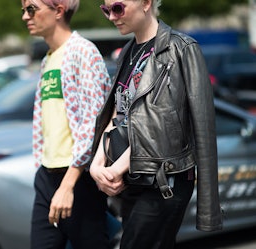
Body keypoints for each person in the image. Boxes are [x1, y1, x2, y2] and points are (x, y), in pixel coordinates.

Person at [89, 0, 223, 248]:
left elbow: (181, 126)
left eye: (117, 8)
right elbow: (117, 114)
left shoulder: (181, 48)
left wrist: (115, 169)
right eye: (106, 9)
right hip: (131, 179)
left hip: (163, 180)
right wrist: (97, 165)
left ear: (146, 3)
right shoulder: (128, 51)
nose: (111, 16)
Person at [21, 0, 112, 248]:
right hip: (46, 176)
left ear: (58, 11)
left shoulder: (83, 52)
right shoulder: (47, 59)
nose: (25, 17)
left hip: (77, 178)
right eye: (24, 10)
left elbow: (94, 123)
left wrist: (68, 184)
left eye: (31, 9)